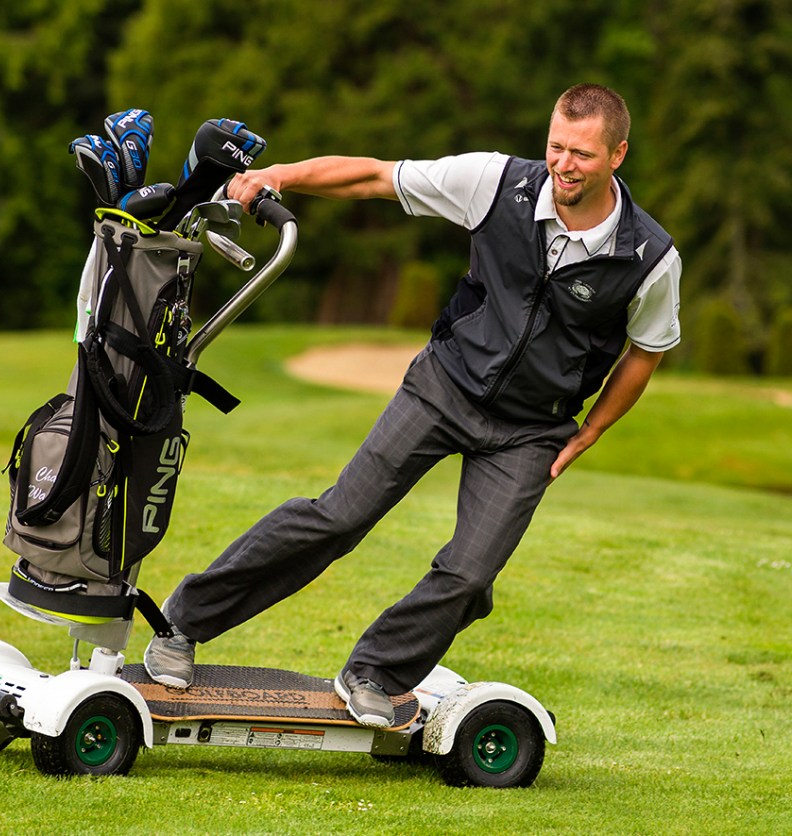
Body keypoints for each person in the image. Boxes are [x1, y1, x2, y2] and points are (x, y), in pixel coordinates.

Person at [144, 83, 681, 728]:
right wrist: (280, 176)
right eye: (556, 146)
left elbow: (647, 349)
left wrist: (590, 430)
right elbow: (375, 177)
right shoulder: (494, 183)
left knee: (469, 575)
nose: (563, 165)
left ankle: (377, 672)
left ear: (618, 155)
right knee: (338, 518)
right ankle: (182, 624)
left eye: (583, 154)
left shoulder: (650, 256)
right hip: (443, 386)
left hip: (532, 431)